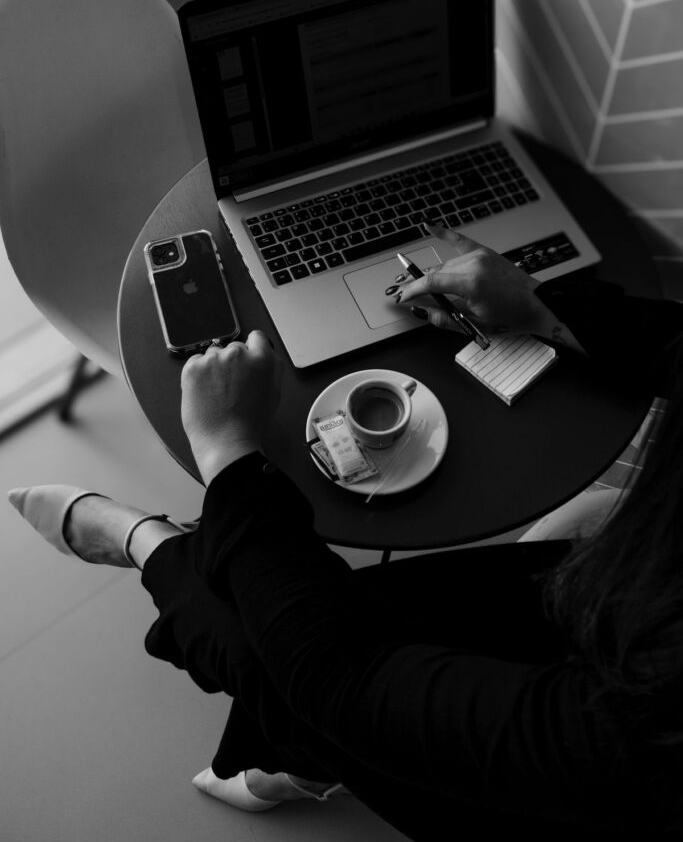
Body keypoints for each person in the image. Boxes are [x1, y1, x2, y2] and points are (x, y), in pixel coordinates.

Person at [9, 223, 683, 838]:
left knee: (272, 660)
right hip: (629, 593)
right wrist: (537, 308)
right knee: (357, 604)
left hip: (581, 781)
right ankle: (300, 762)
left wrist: (226, 452)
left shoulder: (644, 728)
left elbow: (344, 685)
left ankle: (150, 545)